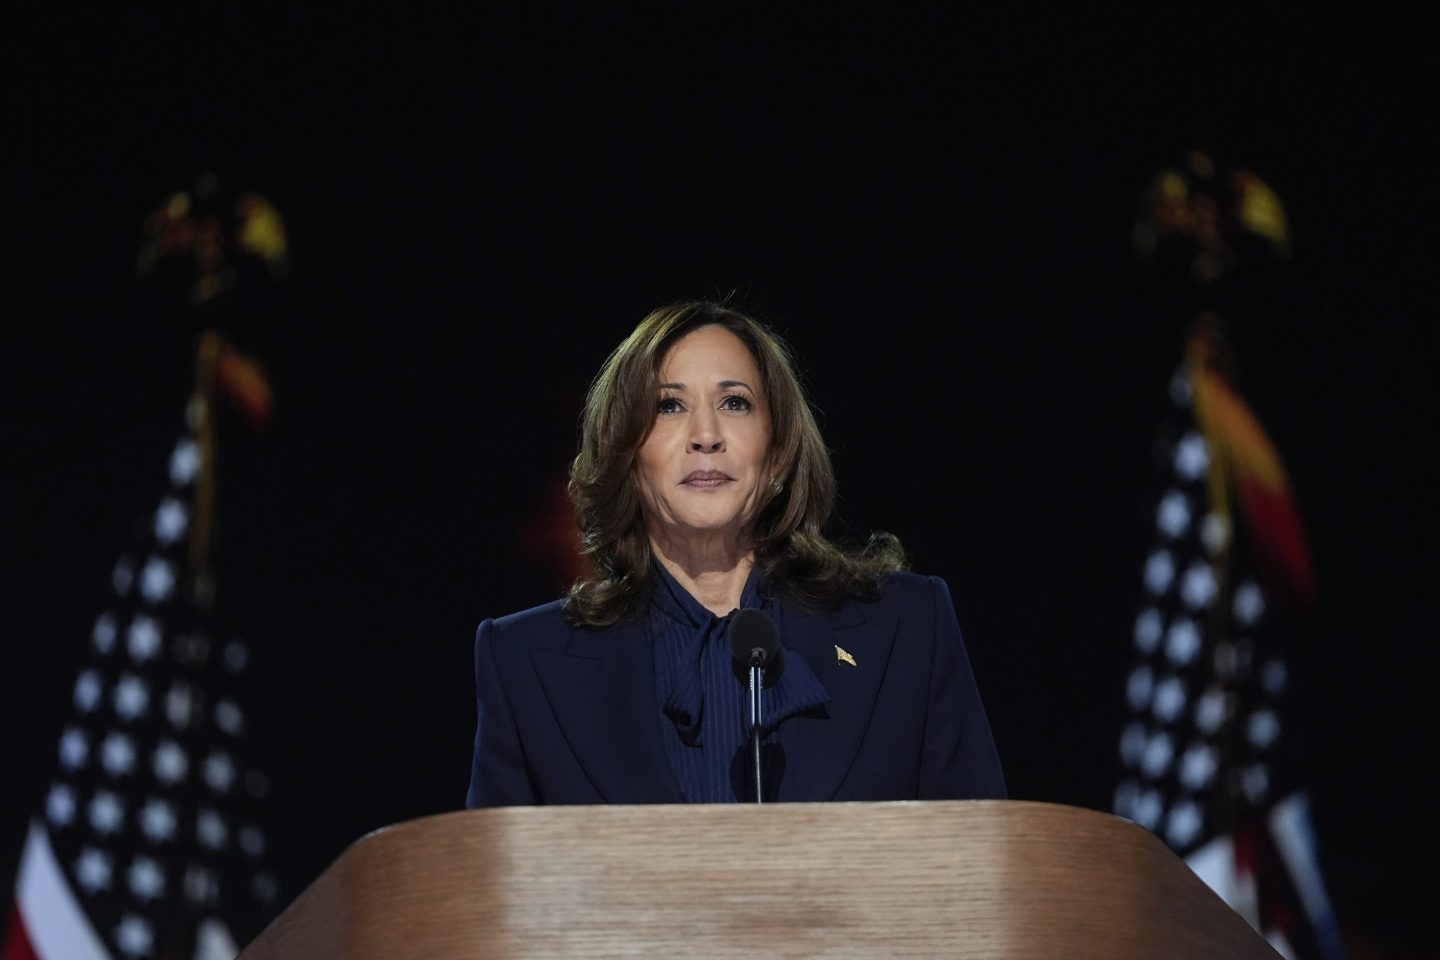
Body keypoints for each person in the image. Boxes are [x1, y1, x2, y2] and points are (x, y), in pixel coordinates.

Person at [466, 302, 1004, 806]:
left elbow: (986, 870)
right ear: (626, 456)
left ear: (777, 454)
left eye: (735, 403)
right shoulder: (523, 660)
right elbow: (487, 897)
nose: (706, 435)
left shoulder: (909, 626)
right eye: (669, 405)